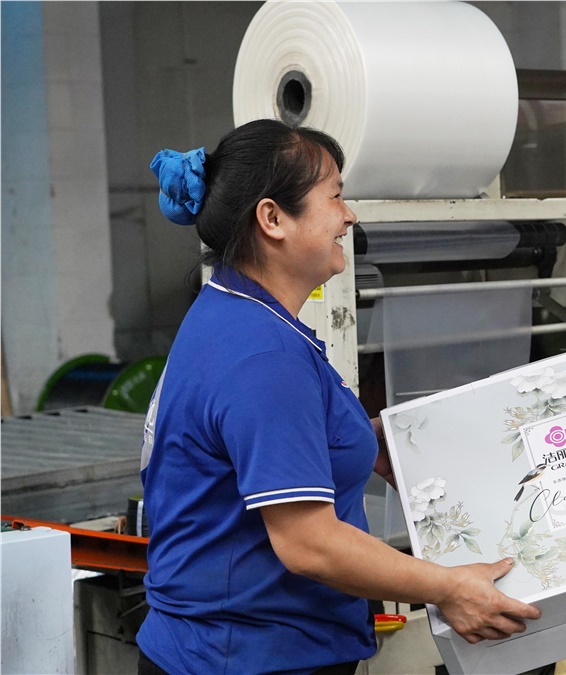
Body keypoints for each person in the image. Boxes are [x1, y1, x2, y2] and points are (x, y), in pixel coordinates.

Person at [138, 119, 540, 675]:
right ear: (272, 218)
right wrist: (449, 587)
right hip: (244, 659)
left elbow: (255, 438)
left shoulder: (232, 313)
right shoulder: (264, 356)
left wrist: (359, 439)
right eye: (335, 197)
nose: (349, 217)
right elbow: (309, 544)